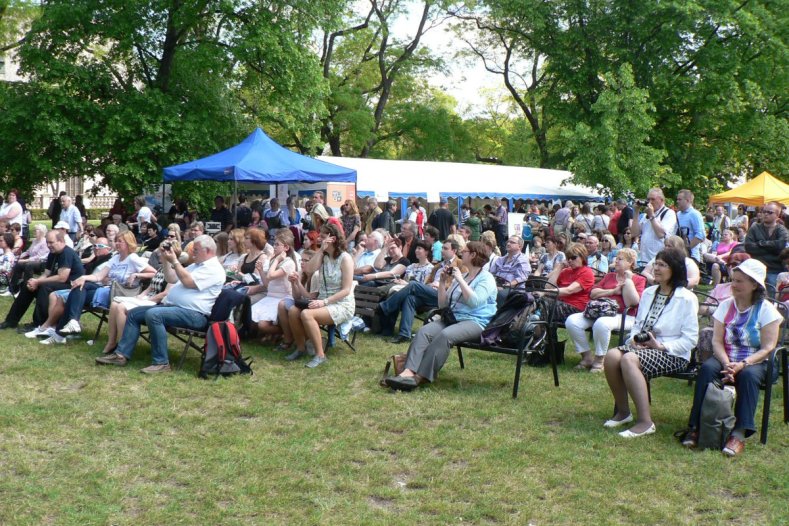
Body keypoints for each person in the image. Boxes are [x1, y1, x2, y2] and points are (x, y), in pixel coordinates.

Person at [683, 259, 782, 456]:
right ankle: (696, 427)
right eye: (733, 280)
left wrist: (743, 364)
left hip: (758, 361)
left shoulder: (767, 310)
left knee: (748, 376)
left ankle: (739, 433)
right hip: (727, 357)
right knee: (708, 369)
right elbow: (717, 342)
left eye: (739, 281)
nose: (733, 284)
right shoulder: (726, 306)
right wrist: (728, 364)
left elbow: (768, 347)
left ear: (754, 284)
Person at [603, 248, 699, 438]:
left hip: (673, 353)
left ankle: (645, 422)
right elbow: (638, 326)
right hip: (644, 348)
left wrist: (661, 346)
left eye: (662, 265)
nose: (656, 268)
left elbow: (690, 339)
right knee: (612, 355)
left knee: (629, 359)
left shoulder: (687, 298)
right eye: (655, 263)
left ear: (675, 269)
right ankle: (623, 412)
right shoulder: (649, 293)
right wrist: (635, 340)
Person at [96, 234, 225, 373]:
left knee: (154, 314)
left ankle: (162, 362)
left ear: (208, 250)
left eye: (196, 249)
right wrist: (166, 259)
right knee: (133, 313)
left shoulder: (214, 269)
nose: (192, 252)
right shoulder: (195, 266)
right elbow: (171, 278)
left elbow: (189, 282)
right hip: (174, 309)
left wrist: (175, 261)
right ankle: (121, 355)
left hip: (194, 315)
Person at [384, 241, 497, 391]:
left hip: (474, 322)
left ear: (474, 255)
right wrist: (443, 283)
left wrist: (460, 280)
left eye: (465, 251)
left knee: (444, 335)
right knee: (424, 332)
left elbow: (474, 302)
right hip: (453, 318)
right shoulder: (463, 275)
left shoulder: (486, 278)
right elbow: (443, 305)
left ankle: (420, 377)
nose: (461, 253)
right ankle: (407, 372)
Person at [37, 231, 156, 342]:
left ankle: (61, 332)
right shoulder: (115, 258)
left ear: (129, 242)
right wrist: (83, 278)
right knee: (79, 287)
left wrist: (137, 274)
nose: (117, 244)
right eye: (116, 241)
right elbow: (99, 276)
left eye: (120, 241)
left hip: (119, 294)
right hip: (106, 290)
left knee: (75, 293)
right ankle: (71, 323)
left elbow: (154, 273)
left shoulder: (133, 258)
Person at [281, 223, 355, 368]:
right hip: (324, 302)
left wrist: (324, 302)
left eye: (322, 236)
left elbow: (346, 290)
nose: (319, 239)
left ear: (332, 238)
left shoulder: (345, 258)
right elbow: (308, 269)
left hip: (342, 304)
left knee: (307, 314)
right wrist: (321, 251)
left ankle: (320, 355)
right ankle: (301, 348)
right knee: (294, 311)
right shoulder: (324, 256)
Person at [565, 248, 646, 372]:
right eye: (616, 258)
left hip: (624, 316)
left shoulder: (639, 280)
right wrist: (612, 291)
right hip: (600, 311)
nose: (616, 261)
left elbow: (632, 303)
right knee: (572, 321)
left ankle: (599, 360)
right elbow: (593, 293)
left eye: (620, 259)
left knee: (602, 323)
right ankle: (586, 357)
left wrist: (628, 281)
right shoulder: (609, 276)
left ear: (630, 263)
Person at [377, 239, 465, 344]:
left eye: (445, 248)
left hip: (444, 295)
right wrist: (430, 285)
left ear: (454, 251)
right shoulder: (438, 265)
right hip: (431, 293)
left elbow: (462, 282)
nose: (442, 250)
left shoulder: (460, 264)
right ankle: (404, 334)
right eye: (442, 248)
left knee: (413, 285)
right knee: (410, 298)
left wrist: (443, 285)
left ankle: (385, 307)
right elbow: (428, 282)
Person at [0, 230, 84, 332]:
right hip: (59, 283)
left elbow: (62, 277)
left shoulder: (66, 253)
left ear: (61, 241)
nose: (49, 245)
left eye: (51, 242)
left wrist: (39, 283)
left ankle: (38, 324)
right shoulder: (53, 254)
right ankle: (11, 321)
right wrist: (35, 281)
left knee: (45, 288)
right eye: (47, 242)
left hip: (72, 286)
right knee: (28, 286)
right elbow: (46, 273)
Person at [251, 229, 298, 343]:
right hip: (270, 297)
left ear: (286, 247)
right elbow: (267, 284)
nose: (274, 246)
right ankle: (272, 335)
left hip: (281, 298)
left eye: (277, 244)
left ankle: (286, 333)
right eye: (274, 243)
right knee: (251, 321)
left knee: (262, 325)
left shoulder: (288, 263)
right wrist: (261, 271)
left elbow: (271, 275)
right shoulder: (274, 261)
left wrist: (276, 259)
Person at [744, 201, 788, 295]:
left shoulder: (782, 230)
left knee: (771, 295)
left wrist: (760, 244)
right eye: (764, 211)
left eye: (770, 212)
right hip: (756, 268)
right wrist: (771, 248)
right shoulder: (755, 228)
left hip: (774, 269)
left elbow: (780, 246)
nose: (765, 214)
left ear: (777, 215)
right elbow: (749, 247)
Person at [546, 243, 596, 324]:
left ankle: (542, 334)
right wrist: (559, 267)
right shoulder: (565, 271)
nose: (570, 260)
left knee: (543, 305)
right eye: (568, 258)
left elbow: (569, 290)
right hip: (561, 304)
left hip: (576, 308)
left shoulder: (587, 272)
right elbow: (548, 286)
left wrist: (544, 292)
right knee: (538, 303)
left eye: (573, 257)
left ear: (582, 257)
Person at [630, 188, 677, 264]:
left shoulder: (669, 213)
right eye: (648, 199)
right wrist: (636, 212)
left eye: (653, 199)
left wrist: (651, 215)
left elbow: (661, 234)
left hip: (660, 259)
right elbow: (634, 233)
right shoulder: (646, 215)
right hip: (644, 259)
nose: (650, 202)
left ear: (662, 200)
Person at [4, 224, 49, 296]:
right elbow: (28, 252)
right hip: (31, 261)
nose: (34, 231)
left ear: (41, 232)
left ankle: (24, 289)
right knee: (18, 265)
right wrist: (18, 257)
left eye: (35, 230)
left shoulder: (44, 242)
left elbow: (38, 257)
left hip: (40, 263)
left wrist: (25, 260)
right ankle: (13, 289)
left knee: (28, 265)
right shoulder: (35, 241)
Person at [489, 235, 531, 305]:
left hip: (514, 290)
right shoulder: (501, 259)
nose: (508, 244)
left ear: (519, 247)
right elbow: (492, 274)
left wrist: (506, 286)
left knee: (499, 294)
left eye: (512, 242)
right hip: (498, 286)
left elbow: (521, 278)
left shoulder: (522, 260)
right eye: (508, 242)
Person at [676, 189, 705, 262]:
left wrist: (686, 249)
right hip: (678, 255)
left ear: (688, 200)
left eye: (680, 199)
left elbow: (700, 235)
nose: (677, 201)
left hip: (691, 256)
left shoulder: (694, 214)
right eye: (677, 199)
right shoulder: (678, 214)